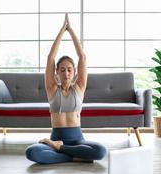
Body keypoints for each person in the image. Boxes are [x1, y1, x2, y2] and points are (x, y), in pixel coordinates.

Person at [25, 14, 106, 164]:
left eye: (69, 69)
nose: (66, 73)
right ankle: (76, 156)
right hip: (56, 137)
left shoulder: (79, 87)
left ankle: (60, 150)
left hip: (77, 139)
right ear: (57, 72)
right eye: (62, 70)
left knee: (101, 151)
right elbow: (50, 58)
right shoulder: (52, 89)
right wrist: (62, 31)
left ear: (74, 71)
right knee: (32, 152)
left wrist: (71, 30)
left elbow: (82, 57)